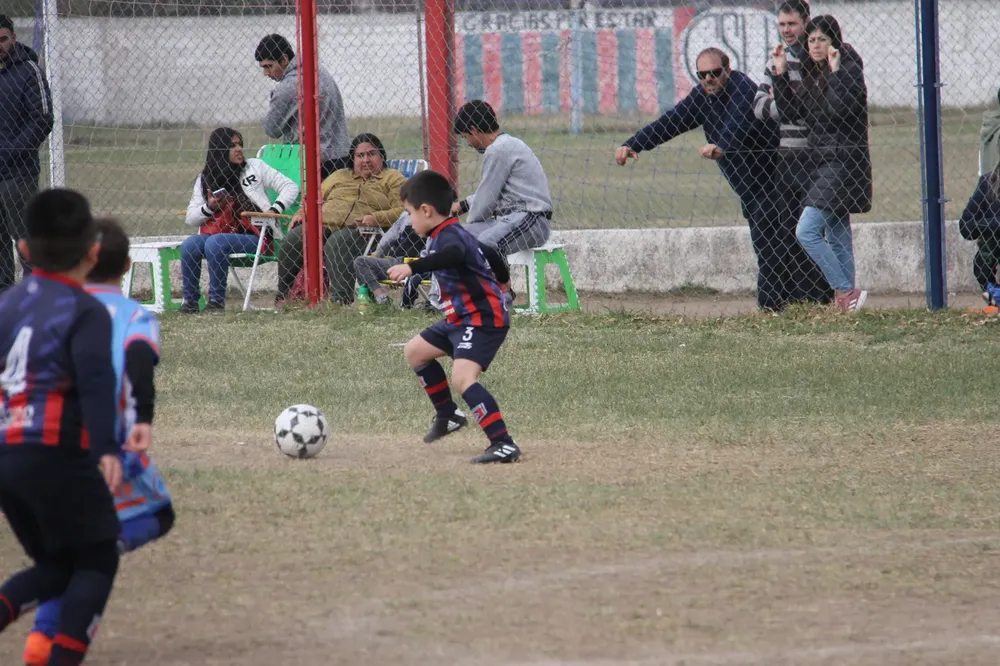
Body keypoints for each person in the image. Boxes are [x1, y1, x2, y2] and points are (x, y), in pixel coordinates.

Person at [22, 217, 175, 666]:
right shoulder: (132, 315)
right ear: (127, 266)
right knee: (155, 516)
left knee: (62, 544)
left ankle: (41, 637)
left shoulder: (48, 310)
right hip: (105, 444)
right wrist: (143, 418)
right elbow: (139, 361)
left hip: (37, 440)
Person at [0, 189, 133, 666]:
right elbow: (96, 382)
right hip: (53, 451)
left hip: (6, 456)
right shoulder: (84, 309)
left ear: (24, 250)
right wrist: (107, 449)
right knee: (98, 556)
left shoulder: (7, 304)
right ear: (93, 252)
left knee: (60, 565)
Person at [615, 48, 780, 312]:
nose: (708, 79)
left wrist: (721, 145)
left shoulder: (742, 88)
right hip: (749, 186)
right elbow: (671, 122)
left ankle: (774, 307)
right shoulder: (703, 96)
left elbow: (738, 121)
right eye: (702, 75)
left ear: (728, 70)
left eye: (714, 73)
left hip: (775, 178)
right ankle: (788, 303)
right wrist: (633, 144)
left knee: (771, 241)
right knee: (768, 241)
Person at [386, 170, 520, 464]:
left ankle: (503, 443)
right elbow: (489, 251)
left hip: (482, 320)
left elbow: (456, 254)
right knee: (415, 352)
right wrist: (503, 280)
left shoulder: (449, 237)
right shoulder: (450, 232)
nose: (409, 220)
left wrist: (413, 267)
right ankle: (448, 414)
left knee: (462, 378)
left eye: (409, 213)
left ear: (426, 210)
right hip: (460, 319)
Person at [772, 15, 872, 313]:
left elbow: (843, 111)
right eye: (812, 40)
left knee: (806, 231)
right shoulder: (811, 71)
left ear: (834, 43)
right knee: (837, 232)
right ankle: (848, 303)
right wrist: (780, 75)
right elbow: (791, 113)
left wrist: (836, 71)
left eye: (822, 40)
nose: (816, 45)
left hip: (843, 162)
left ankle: (845, 291)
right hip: (821, 162)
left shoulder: (848, 69)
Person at [752, 0, 833, 310]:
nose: (786, 30)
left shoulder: (817, 58)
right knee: (787, 229)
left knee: (812, 230)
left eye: (792, 24)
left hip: (815, 157)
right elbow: (759, 106)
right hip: (786, 158)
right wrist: (787, 106)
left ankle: (820, 294)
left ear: (806, 21)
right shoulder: (776, 59)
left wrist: (791, 103)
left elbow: (819, 106)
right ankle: (798, 297)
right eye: (782, 24)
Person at [276, 133, 406, 305]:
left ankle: (340, 300)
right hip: (325, 224)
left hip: (366, 231)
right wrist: (302, 212)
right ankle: (284, 297)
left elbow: (404, 211)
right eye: (360, 156)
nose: (366, 160)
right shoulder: (339, 175)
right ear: (352, 158)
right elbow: (313, 198)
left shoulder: (393, 178)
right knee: (293, 239)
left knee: (338, 242)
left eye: (371, 154)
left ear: (382, 156)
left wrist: (376, 218)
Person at [182, 128, 299, 313]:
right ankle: (190, 303)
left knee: (215, 243)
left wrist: (274, 209)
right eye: (232, 146)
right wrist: (209, 207)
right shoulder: (205, 179)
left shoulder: (254, 167)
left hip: (257, 236)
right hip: (220, 235)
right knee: (190, 245)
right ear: (219, 150)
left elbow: (290, 186)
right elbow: (191, 218)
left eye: (240, 144)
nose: (238, 149)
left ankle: (216, 302)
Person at [451, 99, 552, 255]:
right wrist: (462, 206)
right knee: (453, 238)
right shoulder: (505, 145)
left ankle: (493, 272)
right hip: (510, 219)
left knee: (485, 243)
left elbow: (485, 202)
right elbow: (491, 191)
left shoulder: (498, 149)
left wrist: (471, 223)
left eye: (465, 137)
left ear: (473, 130)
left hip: (532, 219)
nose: (468, 143)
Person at [0, 14, 53, 292]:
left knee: (26, 239)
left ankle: (36, 296)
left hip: (18, 173)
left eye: (3, 39)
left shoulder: (28, 70)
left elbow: (43, 119)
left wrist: (11, 152)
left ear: (13, 38)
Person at [256, 33, 350, 179]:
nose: (266, 73)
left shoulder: (287, 87)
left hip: (312, 163)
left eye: (269, 66)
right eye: (263, 67)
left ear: (284, 59)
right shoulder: (318, 70)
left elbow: (271, 129)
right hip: (341, 154)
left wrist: (274, 99)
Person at [353, 211, 432, 309]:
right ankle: (382, 299)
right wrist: (376, 254)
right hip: (399, 262)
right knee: (361, 262)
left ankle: (379, 301)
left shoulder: (432, 215)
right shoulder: (406, 215)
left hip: (417, 264)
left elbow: (387, 239)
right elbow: (388, 239)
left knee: (361, 263)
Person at [959, 159, 1000, 302]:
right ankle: (994, 294)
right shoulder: (988, 181)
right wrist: (995, 224)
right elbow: (966, 227)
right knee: (987, 248)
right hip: (995, 244)